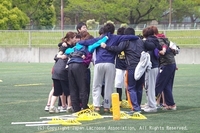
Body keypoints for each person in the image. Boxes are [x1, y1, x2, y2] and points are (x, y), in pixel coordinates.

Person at [78, 23, 139, 113]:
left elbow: (85, 42)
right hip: (110, 63)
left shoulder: (99, 39)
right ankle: (107, 106)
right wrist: (137, 37)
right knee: (108, 86)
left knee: (97, 85)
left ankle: (97, 105)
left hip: (99, 63)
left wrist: (78, 43)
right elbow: (131, 37)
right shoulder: (116, 37)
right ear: (113, 30)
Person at [101, 27, 157, 113]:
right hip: (141, 67)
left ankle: (135, 107)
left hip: (131, 67)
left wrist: (106, 47)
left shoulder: (126, 41)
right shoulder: (141, 41)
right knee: (139, 87)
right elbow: (152, 46)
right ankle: (138, 105)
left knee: (131, 87)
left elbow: (117, 49)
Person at [49, 32, 76, 113]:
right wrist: (62, 56)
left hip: (56, 70)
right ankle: (69, 107)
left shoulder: (70, 45)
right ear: (70, 38)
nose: (76, 39)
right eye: (74, 38)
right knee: (69, 90)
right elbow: (57, 55)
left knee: (57, 91)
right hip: (62, 70)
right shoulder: (64, 47)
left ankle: (51, 106)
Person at [151, 26, 177, 110]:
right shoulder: (164, 38)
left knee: (159, 83)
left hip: (166, 64)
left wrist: (163, 51)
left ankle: (151, 102)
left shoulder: (158, 40)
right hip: (171, 63)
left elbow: (164, 46)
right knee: (166, 85)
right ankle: (171, 104)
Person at [142, 27, 161, 113]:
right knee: (149, 86)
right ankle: (150, 104)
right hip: (154, 66)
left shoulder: (149, 41)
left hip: (152, 66)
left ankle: (152, 106)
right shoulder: (154, 40)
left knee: (150, 87)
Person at [114, 27, 128, 105]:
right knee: (119, 83)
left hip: (125, 66)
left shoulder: (127, 42)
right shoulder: (117, 42)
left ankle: (125, 99)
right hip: (120, 65)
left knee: (124, 84)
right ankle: (120, 99)